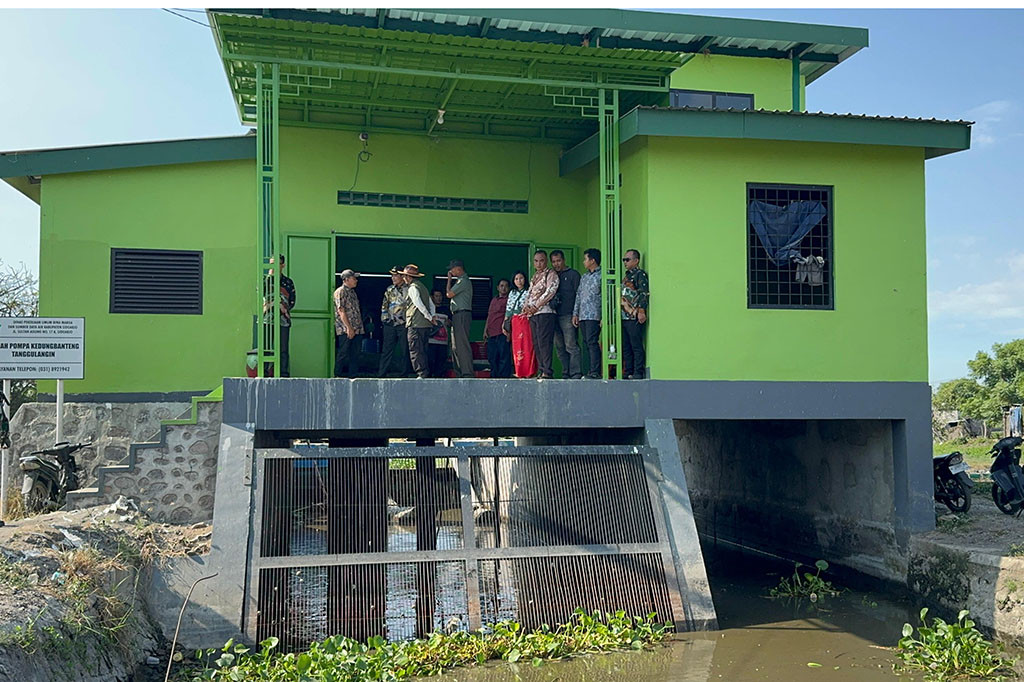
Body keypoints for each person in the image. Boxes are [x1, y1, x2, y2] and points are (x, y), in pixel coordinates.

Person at [521, 250, 559, 379]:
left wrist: (536, 306)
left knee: (544, 342)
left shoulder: (551, 274)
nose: (539, 263)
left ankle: (547, 371)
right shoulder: (534, 276)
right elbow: (529, 294)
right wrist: (526, 307)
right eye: (536, 261)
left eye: (541, 260)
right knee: (536, 342)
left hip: (545, 312)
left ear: (546, 261)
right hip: (533, 314)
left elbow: (550, 291)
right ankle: (541, 369)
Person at [549, 250, 582, 379]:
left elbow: (579, 295)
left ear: (564, 260)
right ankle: (565, 372)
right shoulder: (551, 276)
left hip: (569, 315)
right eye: (553, 261)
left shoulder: (573, 275)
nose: (556, 264)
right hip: (553, 315)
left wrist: (576, 313)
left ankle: (576, 373)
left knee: (571, 345)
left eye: (558, 261)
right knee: (559, 348)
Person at [262, 254, 296, 377]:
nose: (272, 266)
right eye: (270, 263)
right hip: (267, 319)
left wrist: (283, 308)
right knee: (266, 347)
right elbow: (262, 293)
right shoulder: (264, 279)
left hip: (283, 319)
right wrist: (270, 276)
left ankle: (283, 373)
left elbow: (292, 300)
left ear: (282, 265)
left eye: (275, 263)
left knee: (283, 349)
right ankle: (264, 372)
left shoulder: (288, 282)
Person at [401, 264, 435, 379]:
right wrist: (432, 316)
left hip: (415, 324)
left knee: (415, 349)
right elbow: (431, 304)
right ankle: (425, 372)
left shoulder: (412, 288)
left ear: (408, 277)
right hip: (425, 325)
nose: (404, 278)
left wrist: (429, 316)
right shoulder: (423, 287)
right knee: (423, 349)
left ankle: (421, 373)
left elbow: (418, 304)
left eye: (404, 276)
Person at [572, 248, 602, 379]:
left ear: (592, 260)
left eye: (585, 259)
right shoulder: (584, 277)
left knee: (592, 342)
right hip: (583, 315)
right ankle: (589, 370)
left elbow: (607, 297)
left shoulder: (602, 275)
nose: (584, 262)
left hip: (594, 315)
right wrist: (575, 313)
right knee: (585, 343)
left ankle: (595, 371)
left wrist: (604, 316)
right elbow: (578, 295)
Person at [621, 249, 650, 379]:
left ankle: (638, 372)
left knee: (636, 344)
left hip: (634, 315)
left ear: (636, 260)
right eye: (624, 260)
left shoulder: (640, 274)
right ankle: (628, 371)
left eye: (627, 259)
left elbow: (643, 293)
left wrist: (641, 311)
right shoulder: (626, 276)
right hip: (623, 315)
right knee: (626, 346)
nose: (625, 262)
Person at [377, 266, 410, 378]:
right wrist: (385, 319)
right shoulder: (390, 289)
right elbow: (384, 305)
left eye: (396, 275)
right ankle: (382, 374)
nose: (393, 278)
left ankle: (404, 374)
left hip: (404, 324)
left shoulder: (409, 288)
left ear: (402, 276)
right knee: (387, 350)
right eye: (392, 275)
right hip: (390, 324)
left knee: (405, 349)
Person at [445, 259, 475, 378]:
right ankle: (459, 372)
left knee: (462, 345)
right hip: (457, 315)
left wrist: (448, 280)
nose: (451, 271)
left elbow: (449, 294)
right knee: (455, 346)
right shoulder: (460, 281)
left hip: (462, 314)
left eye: (452, 269)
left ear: (458, 269)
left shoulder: (463, 281)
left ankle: (467, 373)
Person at [333, 269, 363, 377]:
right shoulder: (340, 292)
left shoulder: (353, 292)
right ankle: (337, 375)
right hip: (345, 330)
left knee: (355, 354)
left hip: (357, 329)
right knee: (343, 353)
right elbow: (341, 310)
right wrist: (348, 328)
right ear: (346, 280)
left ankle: (353, 376)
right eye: (353, 278)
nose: (356, 280)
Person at [505, 270, 535, 378]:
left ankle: (529, 371)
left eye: (521, 278)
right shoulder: (512, 293)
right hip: (515, 321)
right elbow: (508, 309)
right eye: (516, 279)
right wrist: (505, 323)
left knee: (527, 345)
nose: (519, 281)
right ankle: (519, 371)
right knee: (517, 346)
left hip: (526, 320)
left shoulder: (529, 291)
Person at [484, 278, 511, 378]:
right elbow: (489, 315)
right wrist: (485, 330)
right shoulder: (493, 300)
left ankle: (503, 379)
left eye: (506, 286)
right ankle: (494, 378)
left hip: (502, 332)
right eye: (501, 286)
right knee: (492, 357)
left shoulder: (509, 300)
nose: (504, 288)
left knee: (503, 357)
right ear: (497, 288)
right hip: (491, 333)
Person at [428, 289, 451, 378]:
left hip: (443, 342)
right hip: (431, 341)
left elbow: (450, 323)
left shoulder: (446, 309)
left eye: (440, 296)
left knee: (441, 361)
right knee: (430, 361)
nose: (439, 298)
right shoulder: (429, 309)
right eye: (436, 296)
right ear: (432, 297)